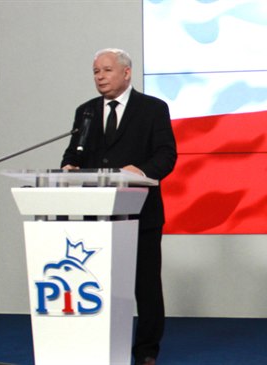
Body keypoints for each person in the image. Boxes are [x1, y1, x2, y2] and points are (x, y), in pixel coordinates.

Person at [61, 48, 177, 365]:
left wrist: (141, 171)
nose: (100, 77)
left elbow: (167, 155)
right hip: (97, 214)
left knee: (146, 284)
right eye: (96, 71)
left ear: (126, 73)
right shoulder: (85, 111)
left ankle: (146, 351)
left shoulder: (153, 108)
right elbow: (74, 152)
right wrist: (69, 166)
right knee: (98, 283)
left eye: (107, 70)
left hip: (141, 212)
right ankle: (102, 345)